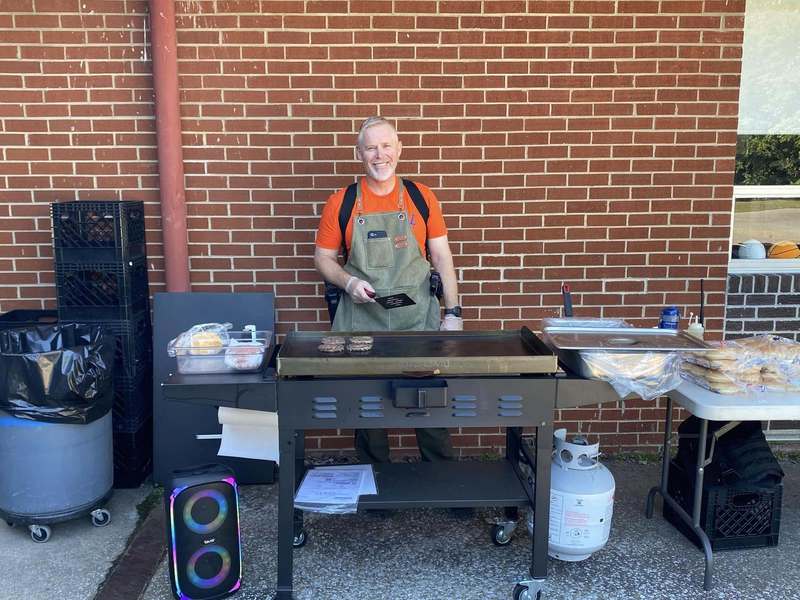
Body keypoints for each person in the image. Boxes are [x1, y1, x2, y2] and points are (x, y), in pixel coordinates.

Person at [314, 116, 463, 464]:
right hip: (362, 321)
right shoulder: (342, 202)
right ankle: (375, 482)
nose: (379, 155)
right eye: (370, 148)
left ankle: (443, 478)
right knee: (367, 407)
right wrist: (348, 282)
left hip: (417, 321)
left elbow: (441, 257)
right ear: (359, 153)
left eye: (386, 146)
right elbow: (323, 259)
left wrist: (453, 313)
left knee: (428, 401)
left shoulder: (421, 197)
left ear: (399, 149)